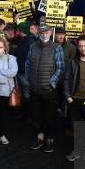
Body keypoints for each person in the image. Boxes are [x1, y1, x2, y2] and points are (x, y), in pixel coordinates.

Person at [25, 24, 65, 153]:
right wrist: (29, 79)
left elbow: (60, 69)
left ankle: (50, 139)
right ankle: (40, 137)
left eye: (46, 32)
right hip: (34, 88)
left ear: (50, 32)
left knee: (50, 115)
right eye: (42, 32)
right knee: (36, 115)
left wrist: (51, 84)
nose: (44, 34)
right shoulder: (32, 46)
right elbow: (27, 64)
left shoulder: (57, 48)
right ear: (38, 33)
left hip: (48, 90)